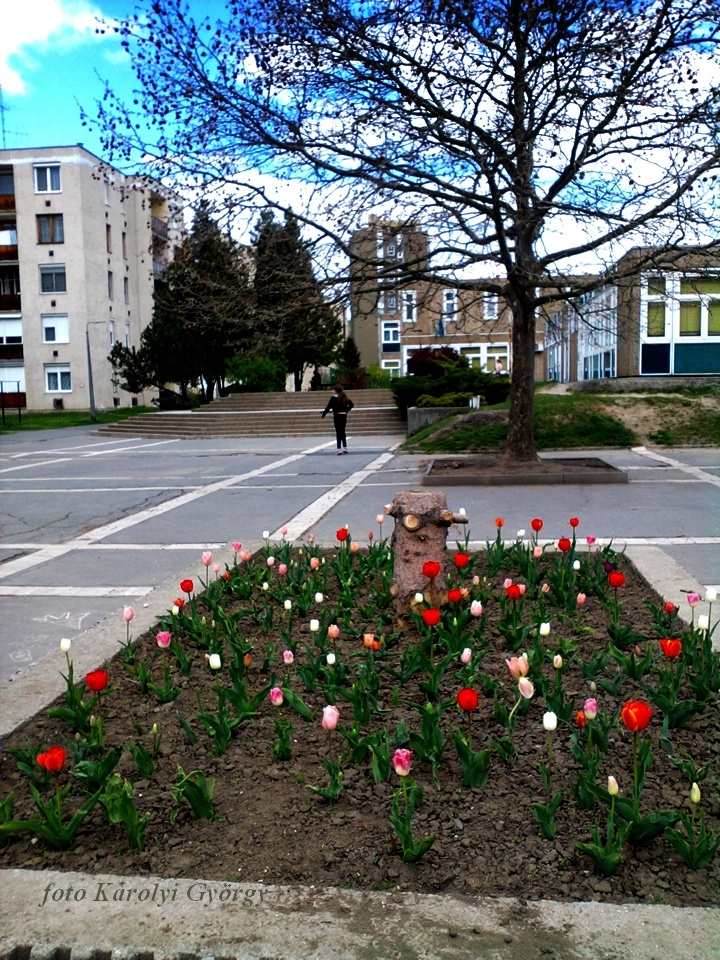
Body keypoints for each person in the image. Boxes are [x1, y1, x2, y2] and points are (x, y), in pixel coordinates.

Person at [321, 384, 354, 454]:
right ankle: (345, 447)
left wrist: (324, 414)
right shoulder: (344, 397)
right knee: (343, 431)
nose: (332, 391)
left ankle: (338, 448)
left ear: (336, 391)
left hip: (337, 416)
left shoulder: (333, 398)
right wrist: (346, 410)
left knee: (338, 432)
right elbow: (352, 404)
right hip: (343, 415)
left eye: (333, 390)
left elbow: (328, 407)